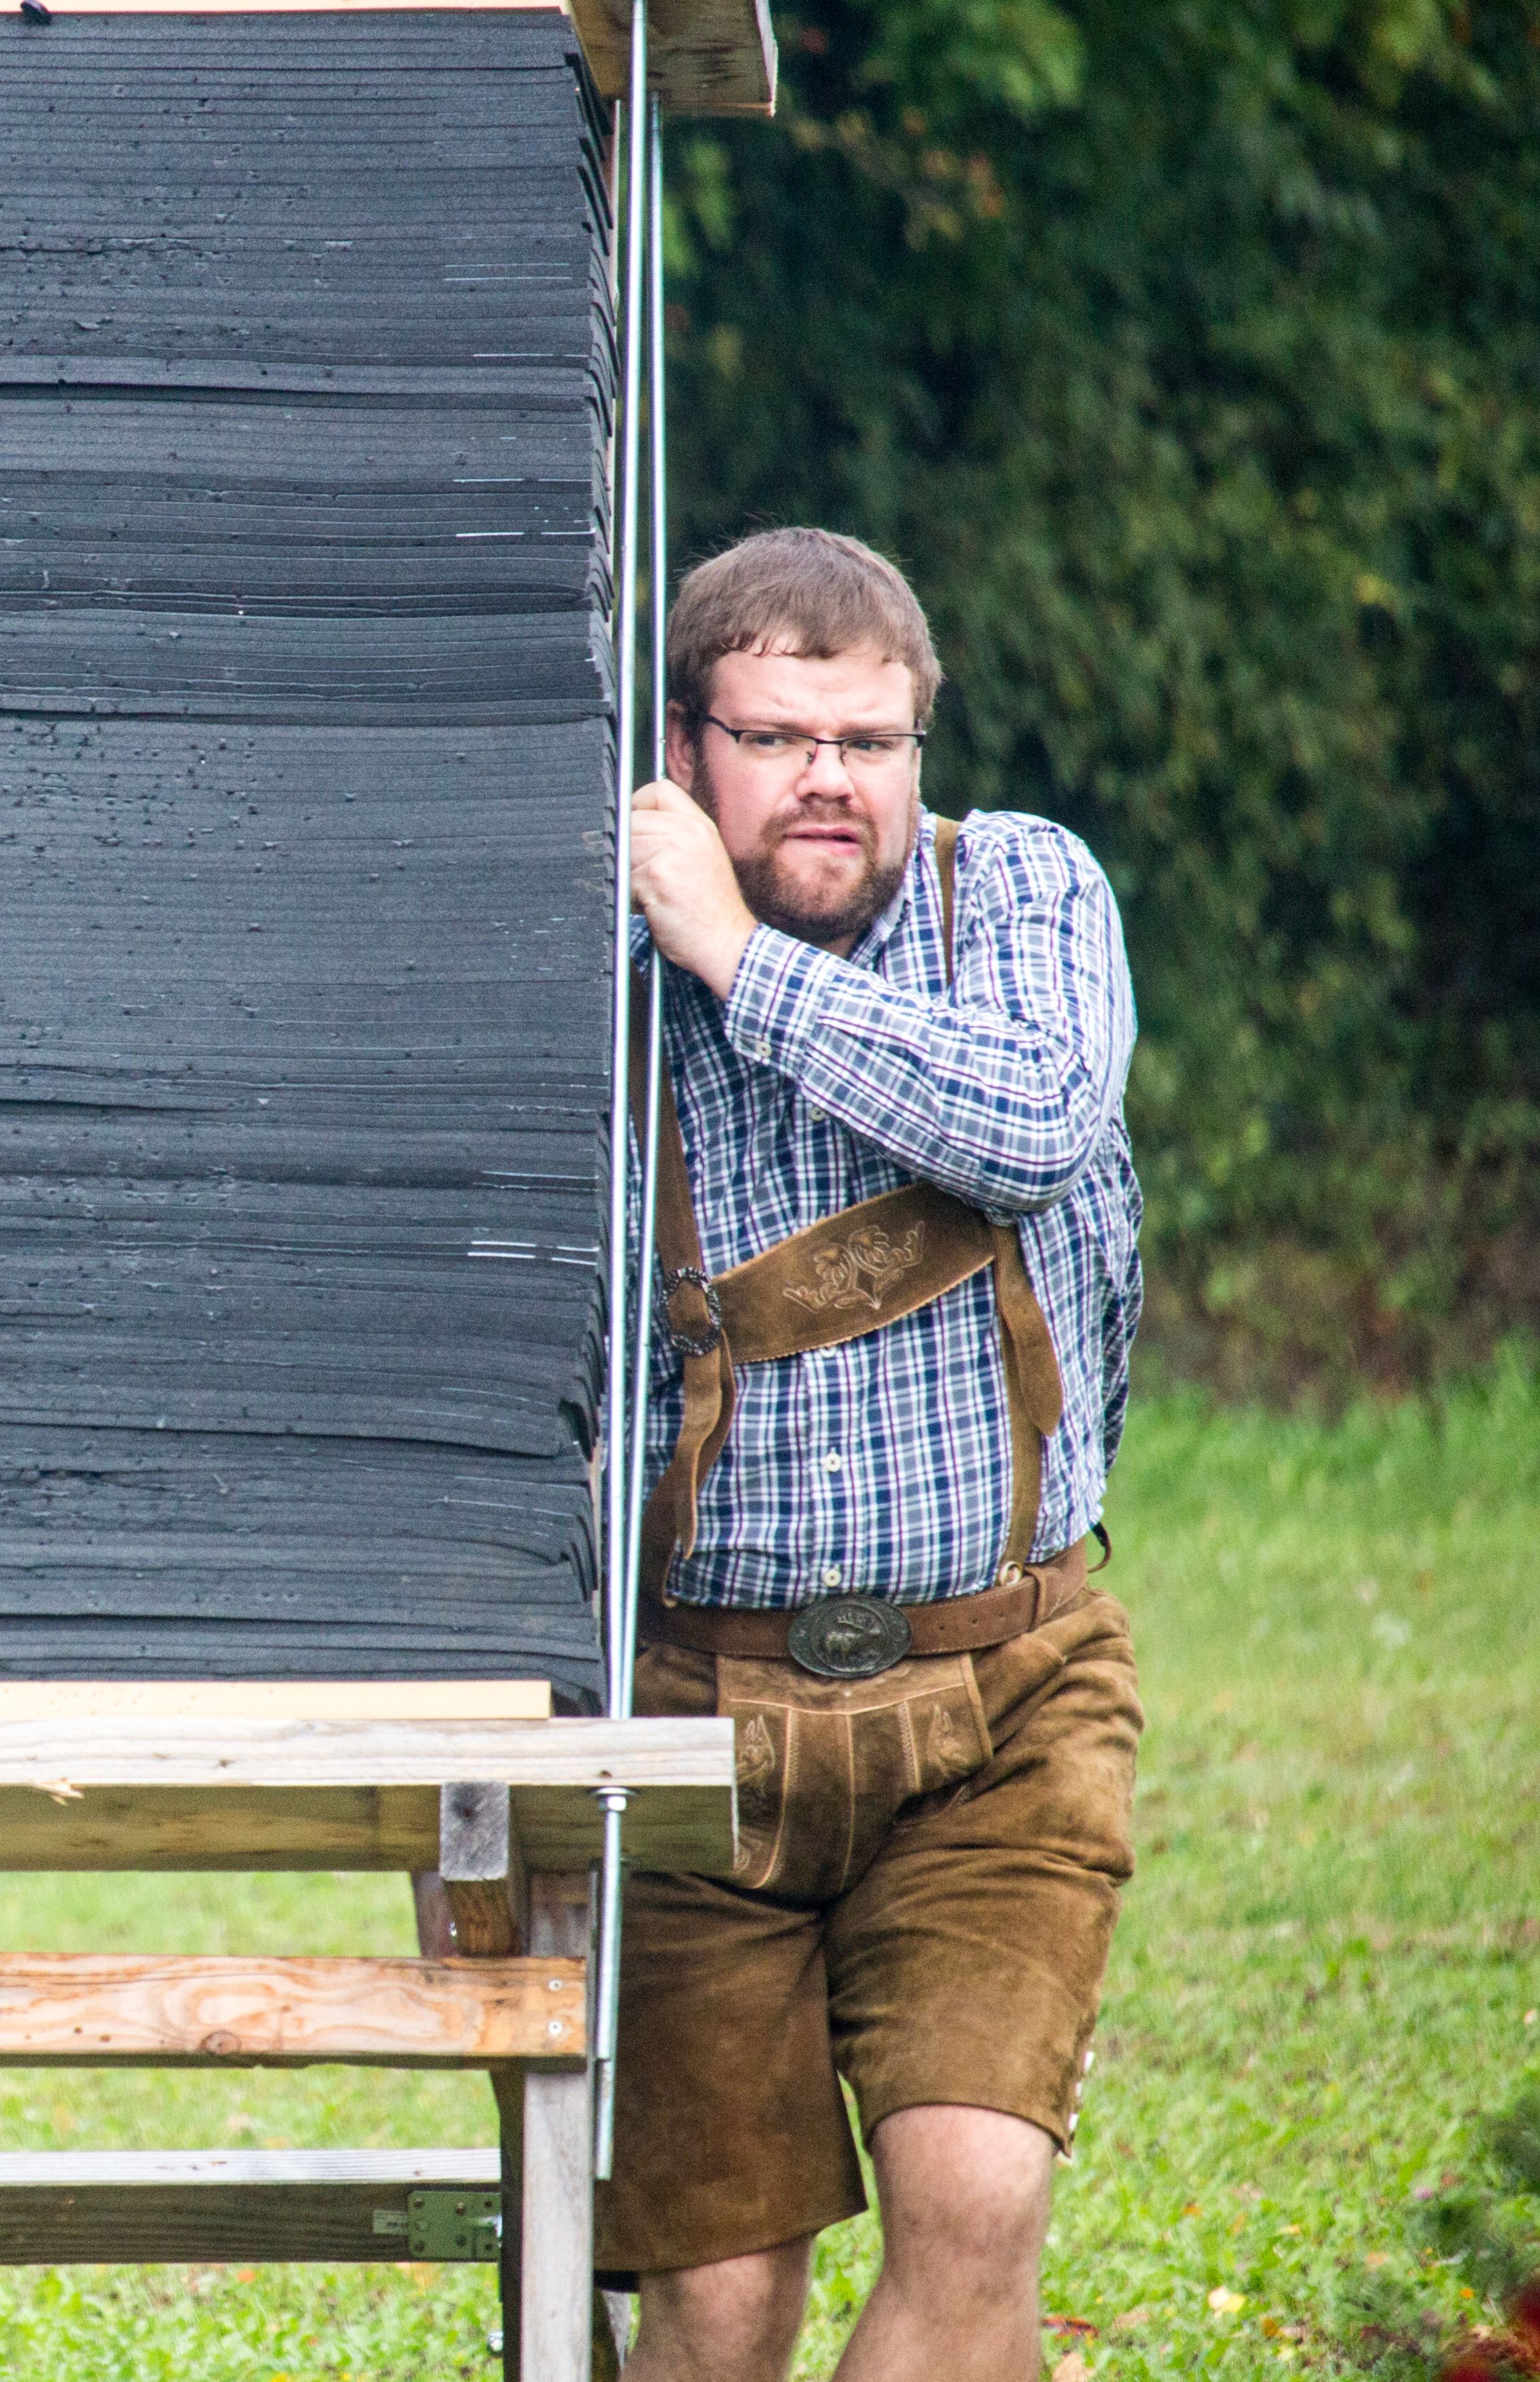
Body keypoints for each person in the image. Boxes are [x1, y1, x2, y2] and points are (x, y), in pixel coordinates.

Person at [599, 528, 1144, 2382]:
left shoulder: (1026, 895)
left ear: (920, 745)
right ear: (685, 754)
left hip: (1002, 1697)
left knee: (977, 2212)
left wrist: (740, 958)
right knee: (721, 2297)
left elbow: (1036, 1123)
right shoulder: (598, 964)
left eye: (870, 741)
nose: (829, 777)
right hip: (689, 1722)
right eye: (775, 737)